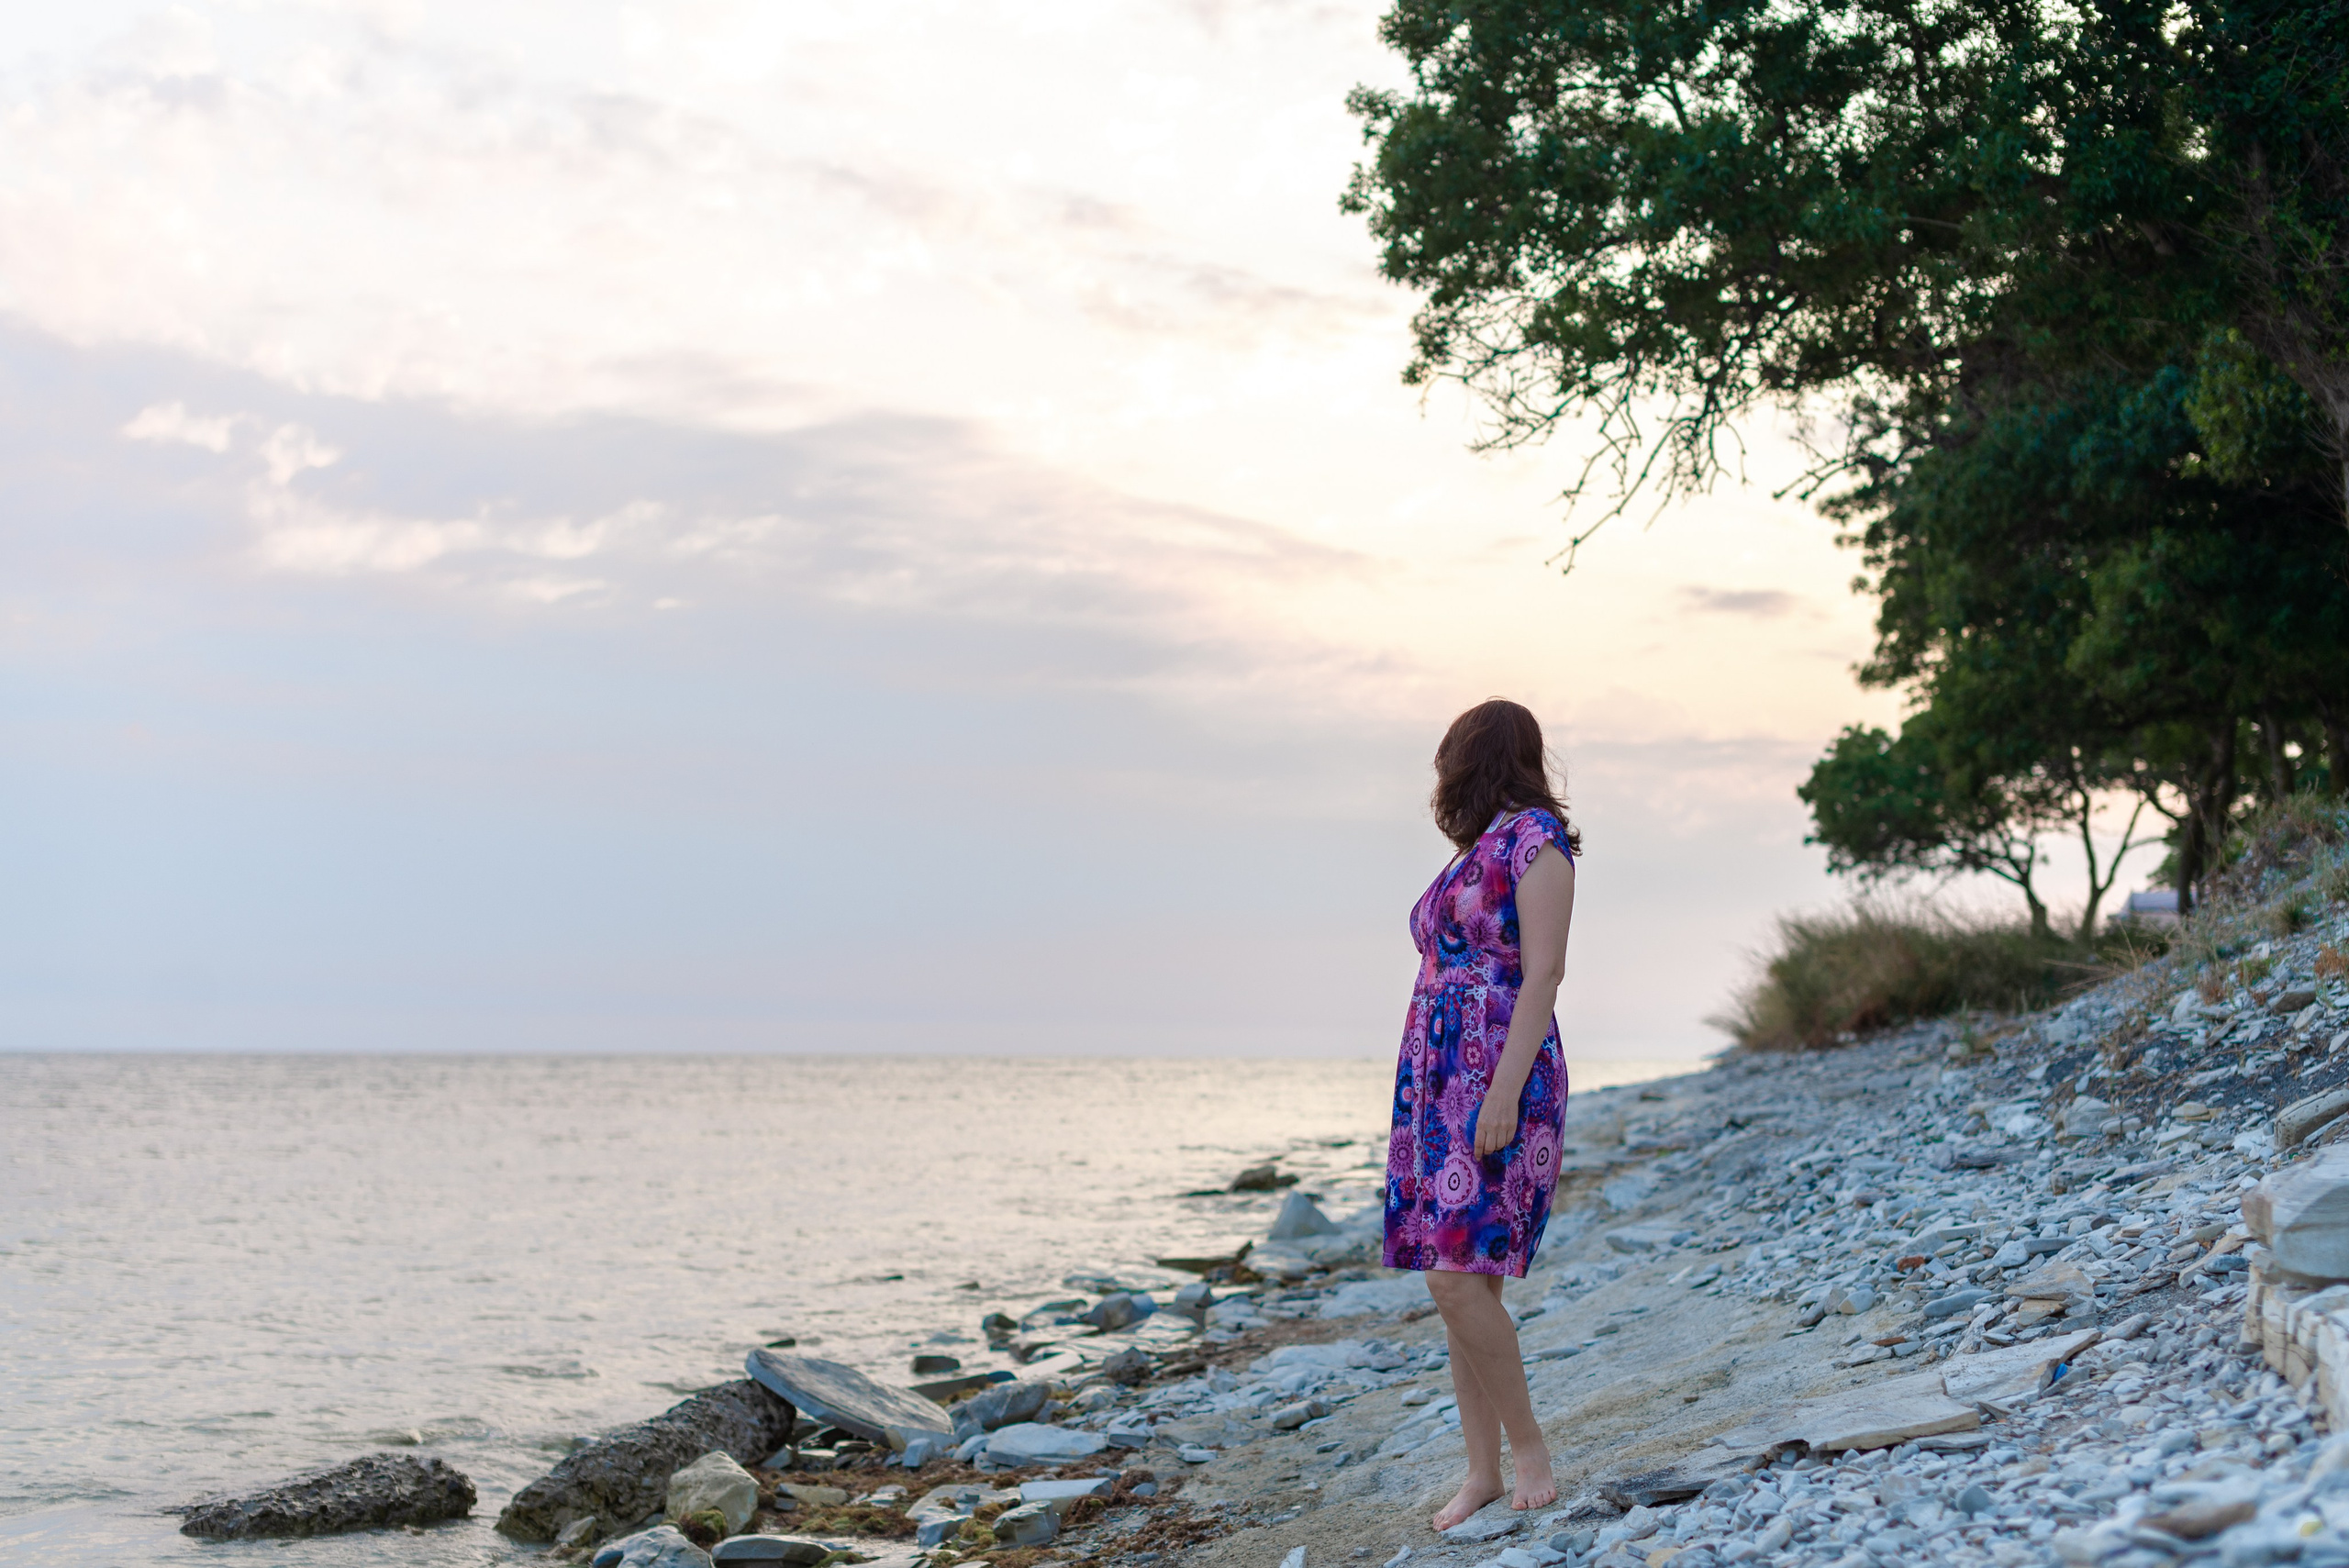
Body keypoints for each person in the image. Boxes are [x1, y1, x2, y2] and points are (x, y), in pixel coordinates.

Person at [1384, 698, 1578, 1529]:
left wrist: (1502, 1089)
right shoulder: (1474, 852)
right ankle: (1481, 1471)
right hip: (1437, 1088)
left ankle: (1528, 1449)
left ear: (1480, 755)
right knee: (1464, 1282)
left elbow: (1544, 974)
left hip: (1502, 1079)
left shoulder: (1538, 840)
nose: (1442, 773)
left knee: (1454, 1278)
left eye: (1450, 756)